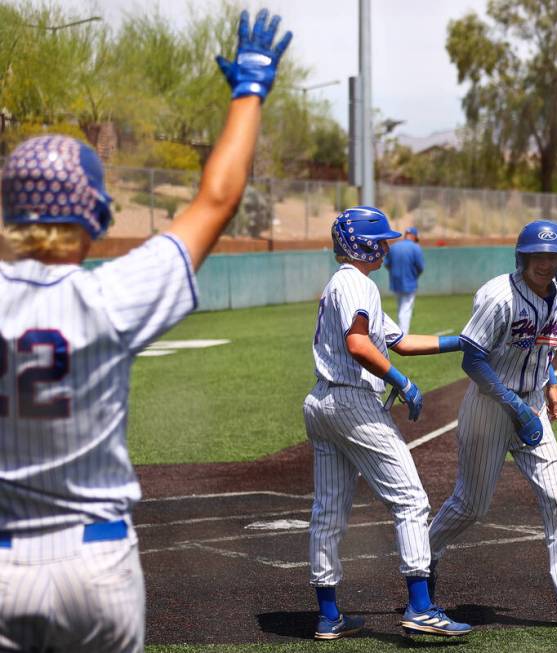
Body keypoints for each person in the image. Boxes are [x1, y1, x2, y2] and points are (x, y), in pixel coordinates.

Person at [0, 10, 290, 651]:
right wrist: (249, 93)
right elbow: (216, 200)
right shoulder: (108, 296)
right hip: (95, 564)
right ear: (93, 216)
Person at [428, 220, 557, 627]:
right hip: (489, 406)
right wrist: (515, 406)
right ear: (522, 257)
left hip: (531, 405)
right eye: (537, 256)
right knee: (470, 506)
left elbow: (545, 346)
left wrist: (553, 384)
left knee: (556, 499)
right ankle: (424, 558)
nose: (545, 264)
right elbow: (472, 359)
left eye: (553, 257)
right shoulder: (497, 296)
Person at [303, 206, 470, 640]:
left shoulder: (343, 283)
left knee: (328, 510)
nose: (385, 247)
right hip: (352, 403)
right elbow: (359, 344)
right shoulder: (357, 283)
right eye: (380, 241)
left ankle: (328, 614)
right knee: (411, 501)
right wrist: (398, 379)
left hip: (322, 402)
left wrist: (460, 342)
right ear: (363, 244)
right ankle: (421, 606)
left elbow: (399, 341)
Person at [385, 226, 425, 334]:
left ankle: (399, 332)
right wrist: (415, 276)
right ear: (413, 236)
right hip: (409, 282)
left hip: (395, 282)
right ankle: (403, 335)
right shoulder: (415, 247)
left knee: (400, 308)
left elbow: (387, 264)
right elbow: (420, 267)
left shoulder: (394, 247)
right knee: (405, 310)